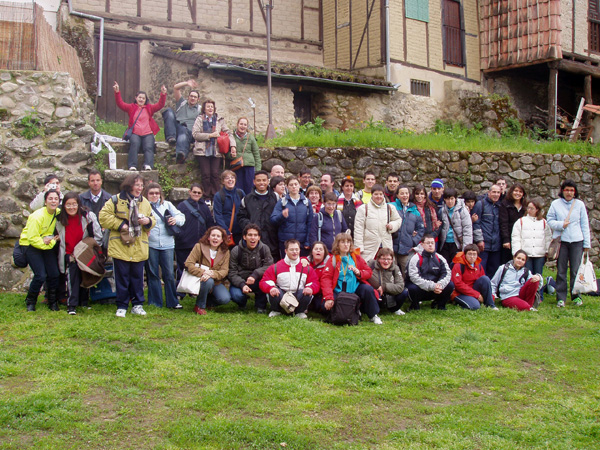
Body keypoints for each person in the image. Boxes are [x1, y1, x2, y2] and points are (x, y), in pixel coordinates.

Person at [99, 173, 155, 317]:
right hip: (121, 245)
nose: (140, 188)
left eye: (141, 185)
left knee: (137, 277)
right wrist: (121, 225)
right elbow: (103, 217)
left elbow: (153, 219)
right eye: (137, 185)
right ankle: (122, 305)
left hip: (139, 246)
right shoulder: (115, 200)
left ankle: (137, 305)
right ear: (129, 185)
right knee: (122, 277)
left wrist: (147, 221)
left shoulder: (145, 202)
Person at [56, 192, 103, 315]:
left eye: (74, 204)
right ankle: (72, 305)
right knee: (72, 278)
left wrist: (88, 248)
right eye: (68, 205)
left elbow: (98, 236)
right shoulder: (59, 220)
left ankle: (84, 301)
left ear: (78, 204)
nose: (71, 207)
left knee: (85, 275)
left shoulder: (87, 217)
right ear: (64, 206)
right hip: (69, 253)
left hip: (84, 252)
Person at [546, 179, 591, 307]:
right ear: (562, 191)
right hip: (562, 241)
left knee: (575, 270)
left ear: (575, 192)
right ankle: (561, 297)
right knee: (561, 270)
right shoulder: (555, 204)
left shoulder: (580, 204)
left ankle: (576, 296)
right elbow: (550, 220)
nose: (569, 193)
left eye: (572, 190)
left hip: (577, 241)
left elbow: (584, 224)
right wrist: (561, 225)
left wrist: (586, 244)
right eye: (567, 190)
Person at [321, 233, 383, 324]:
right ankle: (349, 311)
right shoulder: (333, 260)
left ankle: (373, 315)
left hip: (354, 289)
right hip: (339, 290)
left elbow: (369, 272)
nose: (346, 244)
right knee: (324, 307)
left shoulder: (356, 258)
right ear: (337, 244)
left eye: (348, 242)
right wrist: (329, 298)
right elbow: (326, 279)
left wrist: (359, 273)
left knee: (368, 289)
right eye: (343, 242)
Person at [145, 183, 185, 309]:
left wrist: (175, 220)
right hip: (151, 243)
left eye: (157, 193)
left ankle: (173, 301)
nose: (154, 195)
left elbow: (181, 217)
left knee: (168, 273)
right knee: (153, 273)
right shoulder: (144, 206)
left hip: (167, 244)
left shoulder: (167, 204)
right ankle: (155, 302)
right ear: (147, 194)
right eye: (151, 193)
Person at [20, 190, 61, 312]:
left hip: (46, 243)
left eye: (56, 199)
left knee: (54, 273)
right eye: (50, 199)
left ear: (59, 201)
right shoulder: (37, 216)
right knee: (40, 275)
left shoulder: (58, 213)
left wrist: (49, 242)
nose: (53, 201)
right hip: (30, 245)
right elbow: (32, 238)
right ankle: (30, 301)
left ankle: (52, 302)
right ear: (45, 201)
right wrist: (52, 242)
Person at [113, 81, 166, 171]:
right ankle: (132, 165)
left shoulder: (149, 108)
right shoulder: (131, 107)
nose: (141, 100)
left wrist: (163, 94)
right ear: (136, 98)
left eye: (143, 98)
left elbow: (160, 105)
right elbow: (120, 104)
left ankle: (148, 165)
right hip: (135, 133)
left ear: (145, 100)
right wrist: (117, 92)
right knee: (134, 144)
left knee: (149, 146)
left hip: (148, 133)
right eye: (140, 97)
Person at [259, 239, 320, 319]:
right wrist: (271, 288)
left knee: (307, 293)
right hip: (282, 295)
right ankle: (276, 310)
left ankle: (300, 311)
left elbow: (315, 282)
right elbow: (264, 281)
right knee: (274, 291)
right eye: (291, 250)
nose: (294, 252)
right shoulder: (276, 266)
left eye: (296, 249)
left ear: (299, 250)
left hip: (298, 295)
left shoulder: (307, 268)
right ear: (286, 251)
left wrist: (310, 288)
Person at [192, 99, 236, 198]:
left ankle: (217, 196)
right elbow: (195, 134)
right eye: (208, 106)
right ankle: (207, 196)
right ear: (204, 109)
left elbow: (229, 133)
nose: (210, 108)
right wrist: (210, 135)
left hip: (216, 151)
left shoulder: (219, 120)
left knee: (215, 174)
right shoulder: (199, 119)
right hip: (202, 151)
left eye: (212, 106)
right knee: (206, 174)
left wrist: (233, 146)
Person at [174, 184, 215, 289]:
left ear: (202, 194)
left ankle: (193, 288)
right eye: (194, 192)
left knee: (197, 267)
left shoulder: (204, 207)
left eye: (199, 193)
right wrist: (180, 236)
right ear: (190, 192)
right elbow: (177, 222)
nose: (196, 194)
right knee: (182, 267)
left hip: (199, 244)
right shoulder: (182, 206)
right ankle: (180, 290)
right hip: (184, 242)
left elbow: (209, 223)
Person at [185, 226, 231, 315]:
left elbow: (224, 271)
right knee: (208, 281)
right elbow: (188, 264)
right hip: (200, 280)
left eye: (218, 236)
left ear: (222, 240)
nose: (215, 238)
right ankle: (199, 306)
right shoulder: (198, 247)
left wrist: (212, 273)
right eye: (213, 235)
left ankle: (208, 302)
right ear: (208, 237)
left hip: (216, 282)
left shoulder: (225, 252)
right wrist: (203, 272)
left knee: (225, 299)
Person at [228, 224, 273, 313]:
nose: (253, 238)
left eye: (255, 235)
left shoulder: (264, 249)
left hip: (258, 280)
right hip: (241, 281)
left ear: (259, 237)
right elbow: (232, 272)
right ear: (244, 237)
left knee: (265, 284)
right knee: (237, 295)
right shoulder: (236, 250)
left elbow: (269, 266)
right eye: (250, 235)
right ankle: (242, 303)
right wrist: (241, 284)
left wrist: (255, 275)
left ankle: (261, 306)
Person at [238, 170, 280, 262]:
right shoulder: (246, 199)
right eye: (259, 180)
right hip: (254, 241)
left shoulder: (276, 198)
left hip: (272, 240)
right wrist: (251, 226)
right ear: (254, 182)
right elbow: (241, 218)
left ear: (268, 181)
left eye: (264, 180)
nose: (262, 183)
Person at [405, 234, 454, 310]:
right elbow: (414, 277)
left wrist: (440, 285)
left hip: (437, 288)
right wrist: (432, 286)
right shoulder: (415, 258)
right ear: (422, 244)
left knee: (450, 285)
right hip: (421, 288)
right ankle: (415, 305)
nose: (430, 245)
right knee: (412, 288)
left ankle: (440, 304)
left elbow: (447, 273)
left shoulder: (440, 258)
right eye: (428, 243)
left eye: (432, 243)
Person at [354, 184, 402, 262]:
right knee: (368, 270)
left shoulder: (389, 208)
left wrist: (392, 226)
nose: (378, 196)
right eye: (376, 194)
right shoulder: (363, 209)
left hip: (385, 245)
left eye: (380, 194)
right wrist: (359, 247)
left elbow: (398, 220)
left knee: (386, 269)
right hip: (368, 248)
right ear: (371, 195)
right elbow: (358, 230)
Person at [271, 176, 313, 258]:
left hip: (301, 242)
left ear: (299, 185)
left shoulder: (307, 202)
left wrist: (307, 241)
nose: (294, 186)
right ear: (287, 187)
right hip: (286, 242)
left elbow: (310, 223)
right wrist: (282, 216)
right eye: (291, 185)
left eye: (295, 184)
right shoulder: (282, 202)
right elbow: (273, 220)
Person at [161, 79, 201, 164]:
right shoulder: (182, 103)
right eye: (191, 96)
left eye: (195, 97)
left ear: (198, 99)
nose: (193, 98)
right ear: (188, 97)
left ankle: (181, 154)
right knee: (168, 111)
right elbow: (176, 88)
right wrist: (187, 83)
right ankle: (171, 138)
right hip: (176, 127)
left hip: (188, 131)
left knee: (183, 130)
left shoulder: (200, 109)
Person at [450, 244, 497, 310]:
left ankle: (491, 305)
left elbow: (483, 282)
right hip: (459, 292)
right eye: (469, 254)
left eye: (474, 254)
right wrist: (477, 295)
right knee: (475, 306)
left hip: (473, 289)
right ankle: (458, 302)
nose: (472, 257)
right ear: (465, 254)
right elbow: (458, 285)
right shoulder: (458, 265)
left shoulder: (479, 265)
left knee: (485, 278)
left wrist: (489, 296)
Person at [391, 185, 424, 276]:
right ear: (397, 195)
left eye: (406, 193)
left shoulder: (414, 210)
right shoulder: (391, 206)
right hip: (391, 246)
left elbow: (420, 229)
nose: (404, 195)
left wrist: (413, 241)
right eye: (402, 193)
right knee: (391, 272)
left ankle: (406, 289)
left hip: (406, 248)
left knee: (407, 272)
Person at [472, 184, 502, 278]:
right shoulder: (481, 204)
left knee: (494, 271)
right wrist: (479, 240)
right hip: (483, 245)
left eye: (498, 192)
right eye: (494, 192)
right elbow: (476, 223)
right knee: (481, 270)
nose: (496, 194)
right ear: (489, 192)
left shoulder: (500, 206)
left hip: (496, 246)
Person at [437, 187, 473, 265]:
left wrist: (466, 249)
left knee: (456, 266)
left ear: (455, 198)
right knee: (445, 265)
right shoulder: (442, 211)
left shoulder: (462, 211)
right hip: (445, 243)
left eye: (452, 199)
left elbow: (467, 230)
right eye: (447, 199)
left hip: (457, 244)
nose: (450, 201)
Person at [367, 248, 407, 315]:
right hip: (376, 294)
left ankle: (394, 309)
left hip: (390, 294)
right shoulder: (371, 265)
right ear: (378, 259)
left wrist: (384, 287)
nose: (386, 261)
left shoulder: (395, 268)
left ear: (392, 260)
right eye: (383, 259)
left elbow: (400, 286)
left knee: (404, 292)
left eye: (388, 259)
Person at [230, 116, 261, 194]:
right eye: (241, 124)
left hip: (249, 166)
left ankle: (248, 204)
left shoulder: (250, 137)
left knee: (249, 188)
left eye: (245, 124)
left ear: (247, 126)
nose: (242, 126)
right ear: (237, 124)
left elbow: (256, 153)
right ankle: (239, 205)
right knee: (238, 188)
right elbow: (227, 152)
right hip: (237, 165)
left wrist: (258, 169)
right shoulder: (232, 137)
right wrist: (231, 155)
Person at [213, 170, 245, 245]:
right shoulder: (219, 196)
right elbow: (218, 215)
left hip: (240, 231)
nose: (230, 179)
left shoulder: (240, 193)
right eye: (227, 178)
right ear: (223, 181)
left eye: (232, 177)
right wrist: (225, 231)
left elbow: (246, 210)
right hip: (226, 232)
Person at [499, 182, 527, 264]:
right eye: (516, 191)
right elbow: (503, 223)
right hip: (509, 238)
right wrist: (506, 240)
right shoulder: (505, 204)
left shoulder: (525, 206)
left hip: (522, 238)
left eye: (520, 192)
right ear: (511, 192)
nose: (518, 193)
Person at [302, 241, 331, 314]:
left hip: (322, 292)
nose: (318, 251)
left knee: (320, 307)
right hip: (308, 289)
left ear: (325, 252)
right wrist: (302, 260)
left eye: (321, 249)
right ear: (312, 252)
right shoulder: (305, 261)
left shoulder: (330, 263)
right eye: (316, 249)